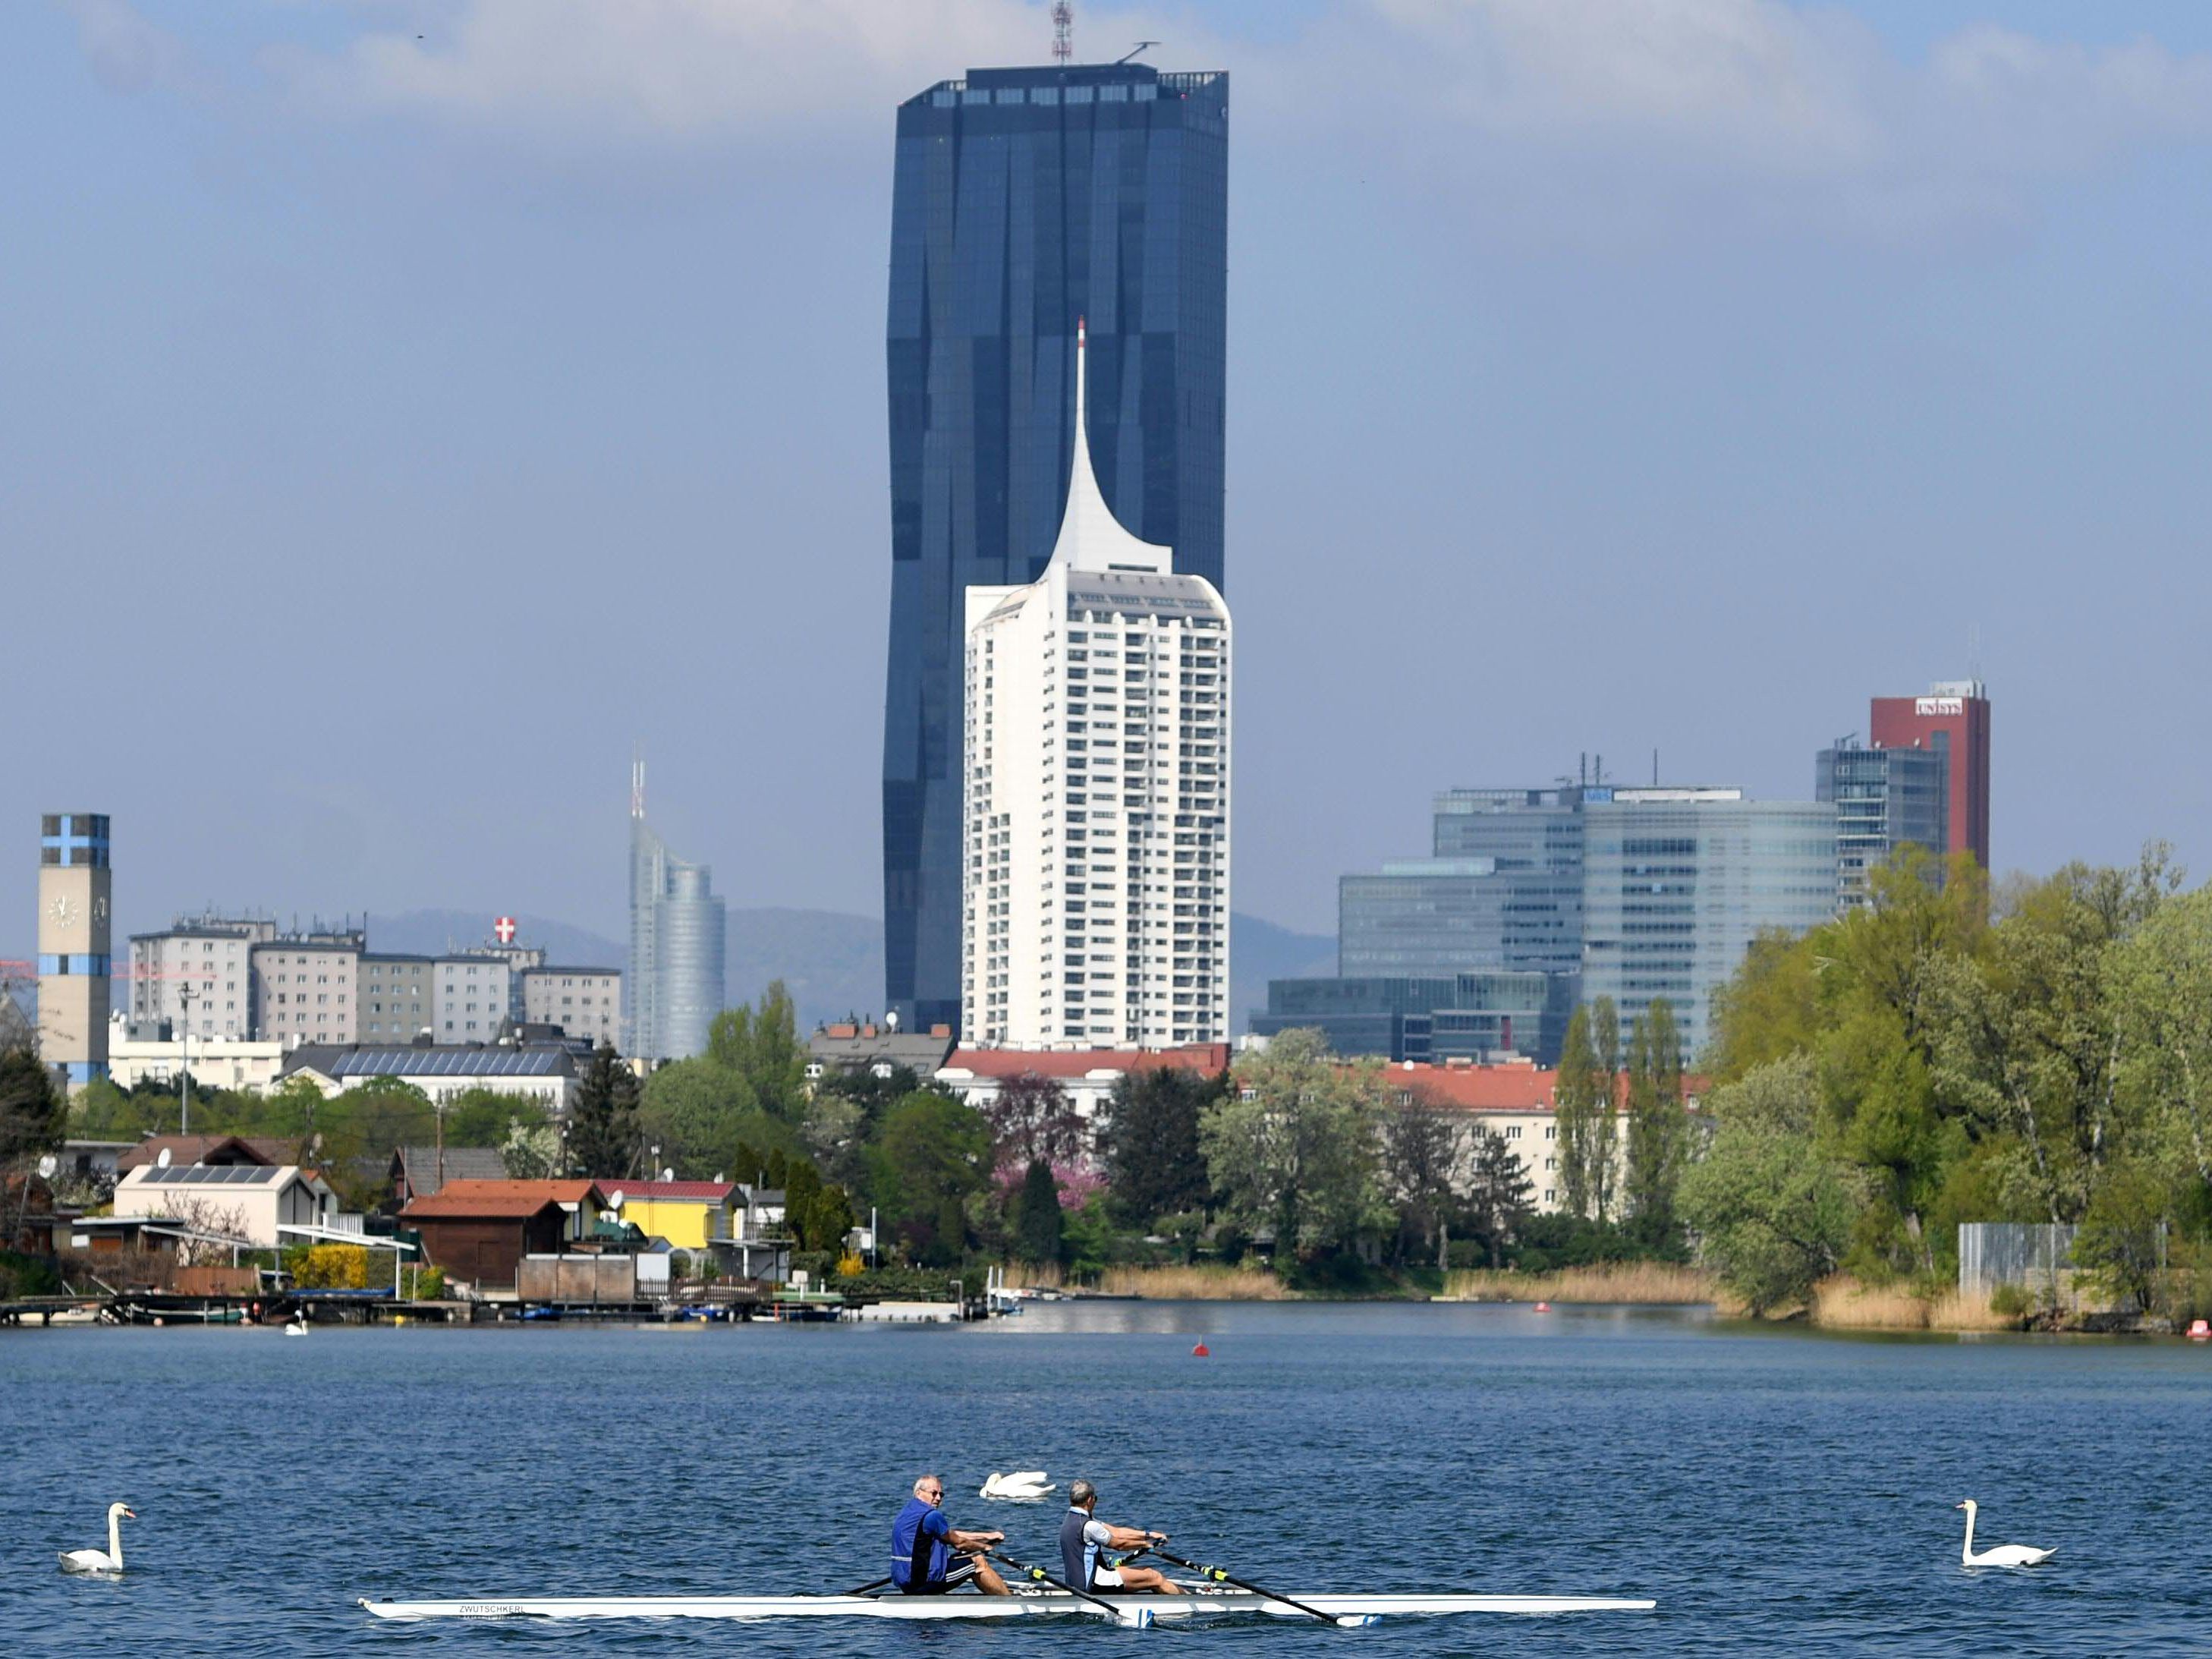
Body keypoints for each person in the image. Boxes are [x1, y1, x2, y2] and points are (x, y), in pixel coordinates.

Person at [890, 1474, 1010, 1596]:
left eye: (940, 1494)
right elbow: (960, 1543)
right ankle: (1008, 1601)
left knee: (957, 1559)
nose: (938, 1498)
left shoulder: (905, 1514)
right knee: (978, 1562)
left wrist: (987, 1536)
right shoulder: (931, 1515)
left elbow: (950, 1535)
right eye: (934, 1493)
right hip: (925, 1582)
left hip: (905, 1582)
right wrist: (984, 1547)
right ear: (918, 1493)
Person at [1059, 1479, 1182, 1596]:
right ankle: (1191, 1601)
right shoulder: (1089, 1525)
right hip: (1094, 1582)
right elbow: (1119, 1544)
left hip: (1075, 1582)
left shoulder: (1071, 1520)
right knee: (1154, 1576)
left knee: (1133, 1571)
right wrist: (1145, 1544)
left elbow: (1116, 1532)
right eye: (1096, 1498)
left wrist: (1148, 1534)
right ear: (1090, 1500)